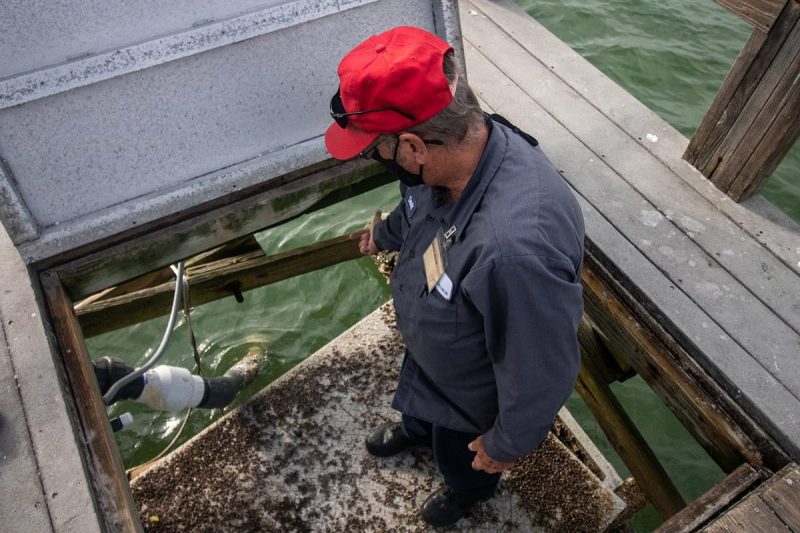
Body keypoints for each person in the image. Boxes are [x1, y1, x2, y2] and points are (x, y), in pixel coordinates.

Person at [325, 26, 585, 528]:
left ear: (413, 147)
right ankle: (418, 426)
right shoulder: (452, 156)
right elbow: (418, 210)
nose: (374, 161)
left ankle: (466, 491)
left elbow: (540, 367)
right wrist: (387, 236)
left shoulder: (513, 252)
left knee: (461, 457)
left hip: (471, 397)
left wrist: (505, 443)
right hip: (434, 352)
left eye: (373, 151)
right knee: (420, 410)